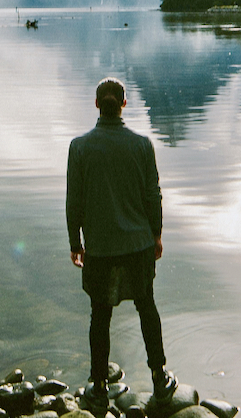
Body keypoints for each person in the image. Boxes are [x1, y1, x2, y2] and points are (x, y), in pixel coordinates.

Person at [67, 78, 177, 410]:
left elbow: (74, 202)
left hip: (100, 248)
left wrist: (75, 243)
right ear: (124, 104)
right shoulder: (142, 145)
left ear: (97, 104)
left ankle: (99, 386)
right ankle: (159, 377)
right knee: (147, 307)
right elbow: (153, 195)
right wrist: (156, 234)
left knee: (100, 316)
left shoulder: (79, 147)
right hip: (138, 244)